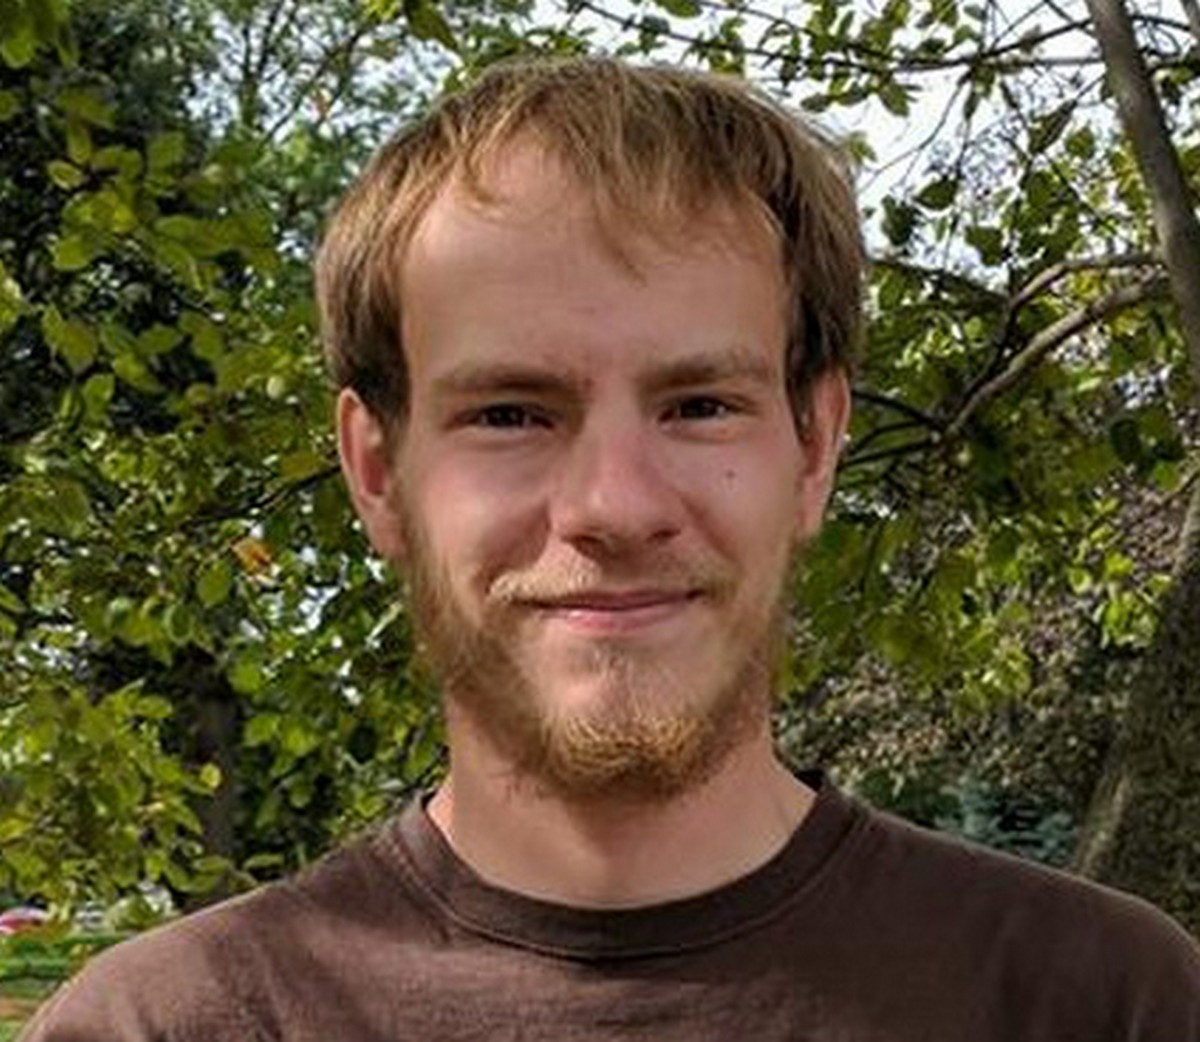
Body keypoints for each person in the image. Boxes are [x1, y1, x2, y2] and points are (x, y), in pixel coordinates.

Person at [21, 57, 1200, 1041]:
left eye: (700, 405)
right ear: (377, 470)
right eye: (510, 413)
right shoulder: (161, 1028)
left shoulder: (1109, 1005)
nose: (615, 505)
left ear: (815, 445)